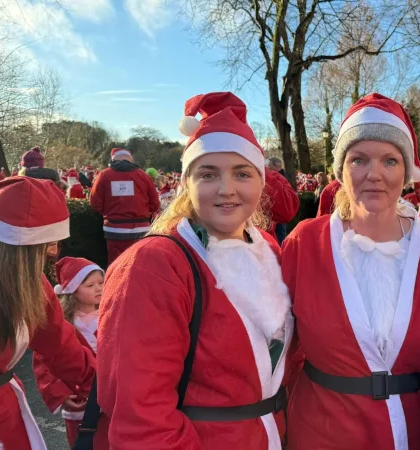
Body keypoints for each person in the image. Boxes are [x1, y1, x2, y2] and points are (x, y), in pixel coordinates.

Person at [97, 92, 291, 449]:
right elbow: (142, 419)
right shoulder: (153, 265)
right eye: (208, 173)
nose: (227, 190)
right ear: (186, 183)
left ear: (261, 182)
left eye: (242, 173)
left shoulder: (268, 249)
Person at [281, 93, 420, 449]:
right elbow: (277, 352)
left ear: (407, 172)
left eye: (390, 161)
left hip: (415, 431)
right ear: (340, 170)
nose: (374, 175)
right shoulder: (306, 242)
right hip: (323, 432)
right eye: (358, 160)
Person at [0, 177, 94, 449]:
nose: (53, 254)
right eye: (48, 246)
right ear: (23, 249)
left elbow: (60, 345)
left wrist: (105, 388)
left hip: (3, 412)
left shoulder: (30, 284)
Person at [33, 257, 104, 446]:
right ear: (72, 290)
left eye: (101, 282)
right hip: (79, 401)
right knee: (83, 442)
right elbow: (44, 364)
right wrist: (61, 395)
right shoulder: (61, 327)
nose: (98, 288)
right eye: (90, 285)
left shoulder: (111, 315)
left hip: (109, 397)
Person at [89, 147, 160, 264]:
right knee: (141, 264)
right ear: (131, 160)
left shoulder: (104, 175)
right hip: (141, 228)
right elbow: (155, 204)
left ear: (112, 160)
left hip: (114, 229)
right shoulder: (143, 175)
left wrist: (111, 212)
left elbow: (95, 203)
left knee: (116, 265)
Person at [264, 157, 299, 244]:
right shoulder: (282, 175)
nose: (267, 167)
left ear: (275, 165)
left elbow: (286, 207)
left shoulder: (279, 177)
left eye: (268, 165)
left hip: (276, 217)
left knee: (280, 237)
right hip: (273, 217)